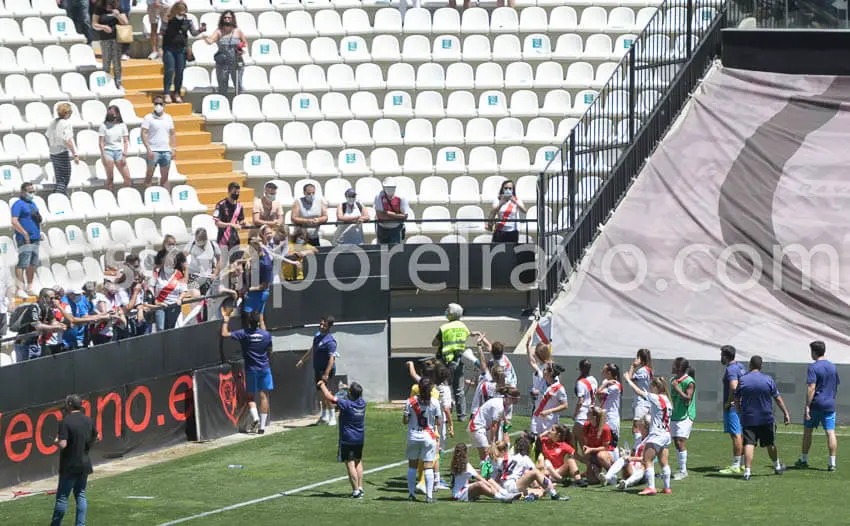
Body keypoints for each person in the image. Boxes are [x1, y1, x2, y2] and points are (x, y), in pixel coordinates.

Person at [736, 355, 791, 480]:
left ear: (750, 365)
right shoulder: (768, 379)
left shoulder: (743, 380)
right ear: (761, 366)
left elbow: (736, 397)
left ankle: (747, 472)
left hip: (749, 418)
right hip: (766, 418)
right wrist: (785, 412)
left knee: (749, 444)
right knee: (770, 443)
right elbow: (777, 397)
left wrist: (740, 412)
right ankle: (777, 466)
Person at [222, 310, 273, 434]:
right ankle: (262, 427)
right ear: (259, 322)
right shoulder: (267, 335)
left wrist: (225, 321)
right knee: (264, 396)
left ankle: (255, 418)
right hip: (265, 368)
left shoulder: (244, 333)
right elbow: (270, 350)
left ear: (249, 322)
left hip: (251, 370)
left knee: (250, 397)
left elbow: (224, 334)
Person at [51, 394, 98, 526]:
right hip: (84, 463)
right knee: (80, 494)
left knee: (62, 498)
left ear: (70, 404)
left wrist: (56, 441)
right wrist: (87, 446)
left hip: (69, 466)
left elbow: (63, 444)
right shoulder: (88, 420)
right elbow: (97, 437)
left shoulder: (65, 422)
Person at [624, 369, 672, 496]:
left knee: (647, 460)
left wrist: (628, 380)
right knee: (664, 462)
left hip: (657, 434)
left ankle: (651, 487)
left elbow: (639, 392)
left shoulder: (656, 398)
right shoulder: (668, 400)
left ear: (656, 387)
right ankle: (667, 488)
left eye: (651, 387)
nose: (650, 389)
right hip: (666, 434)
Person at [318, 380, 366, 498]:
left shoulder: (346, 404)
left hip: (347, 438)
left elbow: (330, 397)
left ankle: (355, 491)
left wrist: (322, 385)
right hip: (359, 438)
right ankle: (360, 487)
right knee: (358, 461)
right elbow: (355, 393)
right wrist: (347, 388)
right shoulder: (363, 403)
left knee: (350, 464)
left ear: (350, 393)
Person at [797, 340, 840, 471]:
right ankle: (832, 463)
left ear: (814, 352)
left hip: (816, 404)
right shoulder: (833, 367)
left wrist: (807, 406)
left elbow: (811, 387)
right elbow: (835, 386)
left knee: (807, 432)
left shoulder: (813, 367)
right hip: (829, 404)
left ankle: (803, 460)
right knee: (830, 433)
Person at [403, 378, 442, 503]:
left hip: (413, 435)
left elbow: (405, 421)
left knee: (412, 466)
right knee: (428, 466)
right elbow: (439, 422)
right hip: (428, 436)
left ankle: (411, 494)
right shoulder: (435, 402)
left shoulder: (410, 402)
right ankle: (429, 496)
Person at [159, 1, 205, 103]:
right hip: (169, 48)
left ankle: (177, 92)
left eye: (183, 12)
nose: (181, 14)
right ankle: (167, 92)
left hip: (181, 49)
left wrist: (200, 30)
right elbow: (161, 33)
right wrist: (159, 48)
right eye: (179, 12)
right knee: (169, 70)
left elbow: (193, 33)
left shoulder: (188, 22)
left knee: (179, 71)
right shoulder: (168, 20)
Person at [297, 316, 339, 425]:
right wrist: (302, 360)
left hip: (327, 371)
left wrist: (326, 374)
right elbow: (312, 349)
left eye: (324, 325)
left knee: (327, 393)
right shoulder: (317, 337)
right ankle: (324, 415)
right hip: (318, 369)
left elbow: (331, 359)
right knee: (321, 394)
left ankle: (332, 417)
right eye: (320, 324)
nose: (321, 326)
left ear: (329, 327)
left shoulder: (330, 341)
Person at [496, 436, 564, 502]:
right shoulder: (525, 458)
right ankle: (554, 494)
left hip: (503, 487)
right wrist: (547, 485)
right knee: (535, 472)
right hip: (513, 486)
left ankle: (528, 496)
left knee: (539, 491)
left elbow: (498, 476)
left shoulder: (509, 457)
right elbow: (536, 474)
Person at [468, 386, 520, 461]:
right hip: (476, 427)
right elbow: (494, 426)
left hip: (484, 428)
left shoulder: (501, 402)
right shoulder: (499, 406)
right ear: (510, 398)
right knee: (487, 454)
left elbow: (499, 419)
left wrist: (505, 420)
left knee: (489, 456)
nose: (516, 402)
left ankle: (487, 467)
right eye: (516, 400)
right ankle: (485, 467)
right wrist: (492, 443)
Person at [13, 288, 65, 362]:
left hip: (36, 342)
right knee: (25, 368)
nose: (53, 300)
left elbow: (53, 321)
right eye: (51, 298)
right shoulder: (33, 308)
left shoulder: (47, 308)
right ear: (43, 298)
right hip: (24, 343)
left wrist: (60, 325)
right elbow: (37, 326)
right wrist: (55, 327)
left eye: (54, 298)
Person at [718, 344, 747, 474]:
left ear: (725, 356)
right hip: (742, 404)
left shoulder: (731, 369)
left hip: (733, 406)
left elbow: (734, 387)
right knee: (740, 434)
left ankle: (736, 465)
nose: (720, 357)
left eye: (721, 355)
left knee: (736, 435)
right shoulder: (741, 366)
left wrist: (729, 402)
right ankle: (743, 463)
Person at [204, 11, 247, 96]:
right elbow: (211, 40)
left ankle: (239, 102)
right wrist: (205, 38)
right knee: (222, 86)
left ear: (232, 19)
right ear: (222, 19)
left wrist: (241, 48)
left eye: (229, 17)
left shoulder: (238, 31)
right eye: (225, 17)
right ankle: (223, 102)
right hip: (223, 62)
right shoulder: (219, 31)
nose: (227, 19)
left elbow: (244, 43)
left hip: (236, 61)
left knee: (238, 85)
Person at [11, 183, 43, 298]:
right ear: (23, 192)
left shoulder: (33, 204)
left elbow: (36, 219)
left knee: (32, 264)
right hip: (25, 239)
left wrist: (40, 233)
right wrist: (24, 233)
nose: (32, 193)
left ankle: (29, 287)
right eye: (29, 191)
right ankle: (19, 288)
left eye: (33, 191)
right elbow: (14, 221)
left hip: (35, 238)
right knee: (22, 263)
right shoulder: (18, 204)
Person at [141, 95, 176, 190]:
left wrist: (173, 148)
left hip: (166, 151)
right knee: (149, 177)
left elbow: (172, 133)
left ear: (164, 105)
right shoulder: (148, 118)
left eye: (160, 103)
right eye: (156, 103)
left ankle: (165, 196)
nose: (158, 106)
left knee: (165, 178)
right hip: (153, 150)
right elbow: (143, 133)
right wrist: (148, 149)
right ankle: (148, 195)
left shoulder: (168, 118)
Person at [92, 0, 128, 90]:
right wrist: (103, 27)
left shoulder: (118, 7)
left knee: (116, 61)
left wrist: (118, 15)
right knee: (106, 61)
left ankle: (118, 83)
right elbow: (94, 24)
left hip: (116, 38)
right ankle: (106, 82)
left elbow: (125, 23)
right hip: (104, 39)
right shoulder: (99, 8)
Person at [669, 357, 696, 480]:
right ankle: (679, 469)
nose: (672, 367)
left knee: (680, 441)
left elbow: (688, 398)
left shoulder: (689, 381)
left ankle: (683, 471)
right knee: (676, 441)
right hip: (675, 414)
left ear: (679, 367)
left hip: (685, 415)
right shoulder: (673, 380)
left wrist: (677, 388)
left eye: (674, 365)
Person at [47, 103, 80, 196]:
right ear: (67, 113)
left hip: (53, 152)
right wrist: (75, 154)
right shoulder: (66, 123)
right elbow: (67, 140)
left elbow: (48, 135)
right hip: (61, 152)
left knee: (59, 178)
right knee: (64, 178)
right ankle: (59, 197)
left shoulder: (53, 122)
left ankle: (60, 195)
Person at [153, 251, 191, 331]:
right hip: (160, 305)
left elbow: (184, 289)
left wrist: (179, 299)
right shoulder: (159, 272)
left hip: (173, 305)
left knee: (171, 329)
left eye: (171, 263)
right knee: (160, 328)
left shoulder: (179, 274)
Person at [98, 105, 131, 192]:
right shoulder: (103, 126)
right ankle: (110, 196)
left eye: (113, 113)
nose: (112, 115)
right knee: (110, 178)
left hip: (119, 152)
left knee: (127, 178)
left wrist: (124, 155)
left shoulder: (122, 125)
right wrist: (104, 155)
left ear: (117, 114)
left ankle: (123, 194)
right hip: (108, 151)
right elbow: (101, 142)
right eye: (110, 114)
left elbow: (125, 141)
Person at [529, 362, 568, 436]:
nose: (543, 371)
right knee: (534, 439)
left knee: (547, 440)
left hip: (550, 420)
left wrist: (549, 411)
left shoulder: (559, 388)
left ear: (551, 373)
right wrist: (534, 393)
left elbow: (565, 405)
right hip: (537, 417)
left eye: (545, 370)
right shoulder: (542, 382)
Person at [243, 229, 272, 326]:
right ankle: (264, 336)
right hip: (259, 292)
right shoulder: (263, 252)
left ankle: (253, 335)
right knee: (261, 318)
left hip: (258, 293)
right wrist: (248, 260)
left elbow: (264, 285)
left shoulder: (265, 264)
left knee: (249, 320)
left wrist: (248, 289)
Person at [581, 406, 614, 483]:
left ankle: (612, 475)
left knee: (601, 455)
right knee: (592, 480)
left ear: (594, 417)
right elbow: (586, 443)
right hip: (593, 452)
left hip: (607, 453)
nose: (586, 413)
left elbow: (606, 447)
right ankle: (599, 475)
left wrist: (591, 449)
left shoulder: (605, 428)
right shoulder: (586, 425)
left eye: (588, 413)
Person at [186, 228, 221, 297]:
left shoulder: (213, 245)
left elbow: (219, 260)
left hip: (208, 277)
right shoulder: (191, 244)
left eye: (201, 240)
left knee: (209, 297)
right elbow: (183, 260)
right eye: (198, 240)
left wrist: (215, 274)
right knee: (196, 295)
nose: (199, 242)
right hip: (193, 276)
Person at [630, 348, 653, 451]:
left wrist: (633, 366)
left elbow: (629, 378)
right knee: (642, 428)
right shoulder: (648, 370)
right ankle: (640, 449)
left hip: (642, 403)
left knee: (637, 428)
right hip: (645, 402)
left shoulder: (642, 370)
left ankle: (637, 450)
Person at [374, 177, 409, 244]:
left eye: (392, 187)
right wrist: (398, 216)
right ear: (384, 187)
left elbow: (405, 216)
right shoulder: (379, 196)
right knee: (382, 249)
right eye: (387, 187)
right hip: (382, 228)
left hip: (396, 229)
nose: (390, 189)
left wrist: (387, 213)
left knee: (396, 249)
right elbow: (380, 216)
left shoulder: (401, 197)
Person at [291, 183, 327, 247]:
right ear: (304, 193)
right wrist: (307, 221)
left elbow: (325, 217)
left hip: (314, 236)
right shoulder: (298, 202)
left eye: (313, 193)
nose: (311, 195)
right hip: (301, 237)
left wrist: (318, 220)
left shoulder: (320, 201)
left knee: (315, 253)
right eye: (309, 193)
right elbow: (293, 218)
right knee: (300, 253)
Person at [214, 182, 246, 252]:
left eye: (238, 192)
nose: (236, 194)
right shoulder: (221, 205)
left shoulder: (239, 206)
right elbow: (217, 223)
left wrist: (243, 223)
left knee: (236, 258)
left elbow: (241, 220)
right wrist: (231, 224)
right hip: (223, 240)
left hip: (235, 240)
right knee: (224, 259)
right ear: (229, 192)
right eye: (234, 192)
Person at [572, 359, 598, 447]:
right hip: (591, 414)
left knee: (578, 442)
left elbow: (580, 401)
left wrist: (575, 414)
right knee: (580, 441)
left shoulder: (580, 382)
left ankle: (578, 455)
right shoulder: (594, 379)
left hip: (582, 415)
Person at [596, 363, 622, 449]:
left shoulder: (616, 386)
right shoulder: (606, 382)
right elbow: (600, 397)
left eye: (604, 370)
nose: (602, 371)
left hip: (611, 417)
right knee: (602, 443)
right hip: (604, 416)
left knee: (612, 444)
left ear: (609, 373)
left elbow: (598, 391)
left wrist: (606, 383)